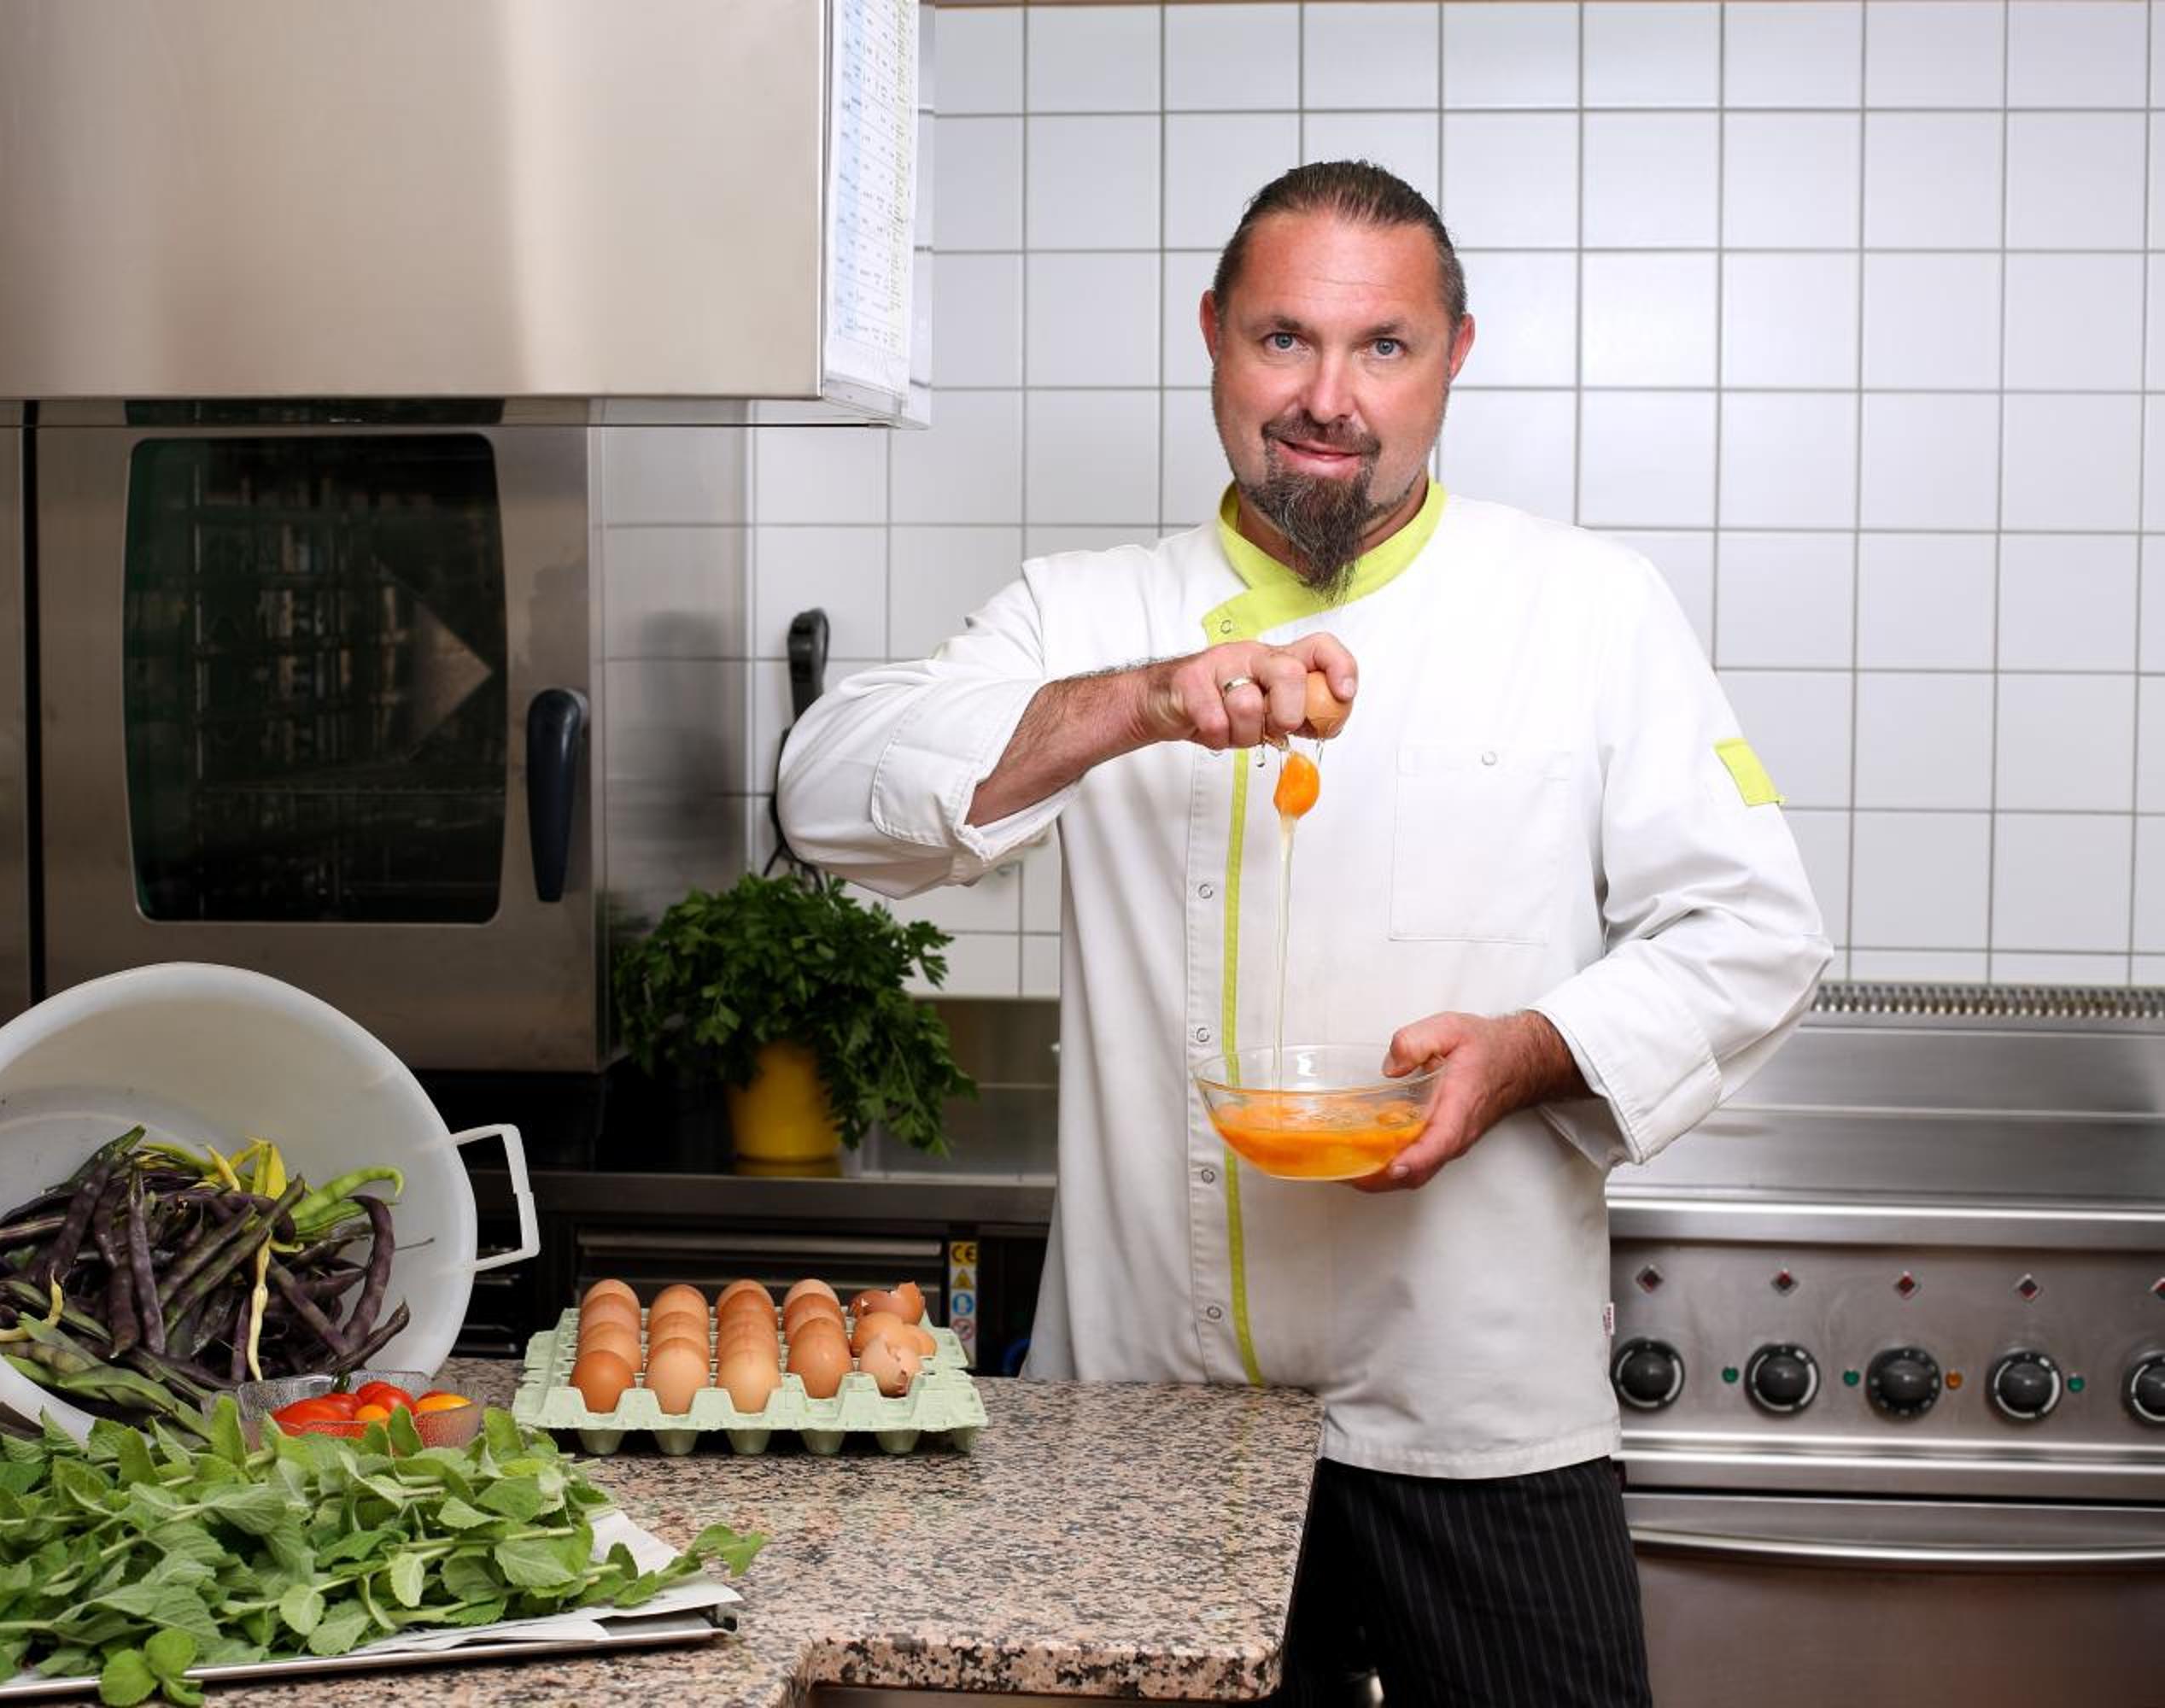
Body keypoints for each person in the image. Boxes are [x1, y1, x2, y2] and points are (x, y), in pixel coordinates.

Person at [775, 161, 1829, 1706]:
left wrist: (1530, 1053)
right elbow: (824, 793)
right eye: (1284, 339)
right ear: (1213, 334)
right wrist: (1137, 703)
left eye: (1383, 346)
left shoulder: (1586, 608)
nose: (1329, 398)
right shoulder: (1089, 612)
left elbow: (1756, 928)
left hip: (1473, 1411)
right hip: (1145, 1413)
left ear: (1455, 357)